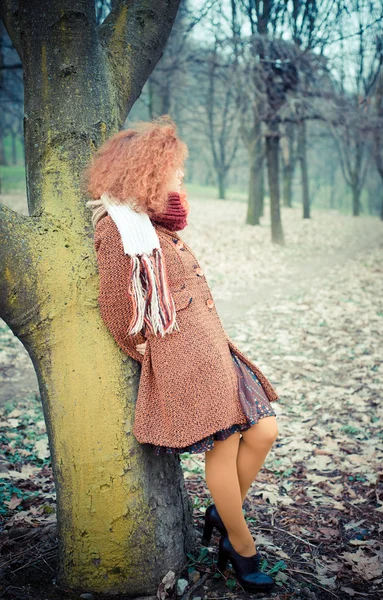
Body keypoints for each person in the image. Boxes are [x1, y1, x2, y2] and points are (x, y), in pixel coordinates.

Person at [83, 115, 280, 594]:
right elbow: (115, 303)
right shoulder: (117, 228)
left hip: (212, 349)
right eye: (174, 170)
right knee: (227, 444)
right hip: (183, 360)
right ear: (147, 172)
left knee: (265, 430)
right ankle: (241, 548)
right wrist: (141, 349)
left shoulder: (148, 222)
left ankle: (223, 510)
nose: (180, 178)